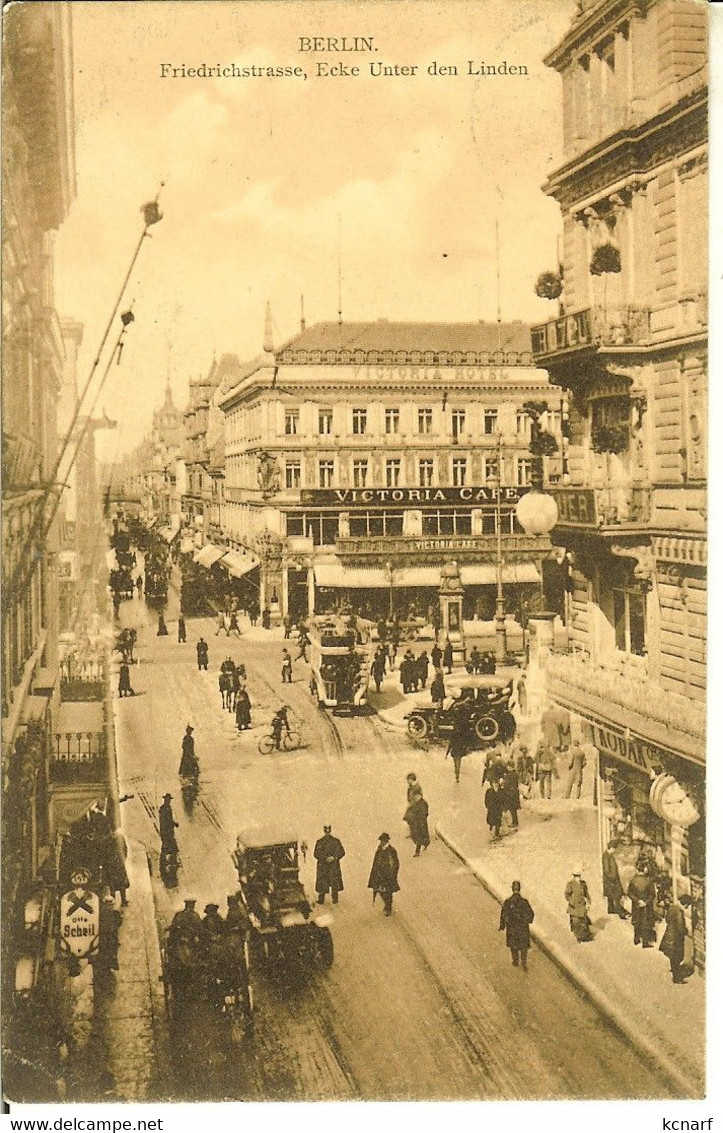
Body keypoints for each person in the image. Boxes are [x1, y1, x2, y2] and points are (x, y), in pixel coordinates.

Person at [499, 881, 535, 970]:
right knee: (523, 946)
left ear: (512, 889)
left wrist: (502, 925)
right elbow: (531, 913)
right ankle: (524, 962)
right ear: (519, 889)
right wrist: (527, 921)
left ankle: (515, 961)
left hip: (512, 928)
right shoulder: (524, 902)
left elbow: (503, 914)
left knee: (513, 945)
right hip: (523, 928)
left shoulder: (508, 902)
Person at [659, 893, 693, 983]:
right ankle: (677, 978)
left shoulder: (672, 907)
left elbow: (667, 919)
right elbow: (680, 927)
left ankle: (675, 973)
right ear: (685, 904)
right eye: (687, 905)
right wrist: (687, 931)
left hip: (669, 934)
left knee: (672, 957)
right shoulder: (679, 911)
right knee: (677, 957)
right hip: (676, 938)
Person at [367, 833, 400, 916]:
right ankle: (387, 905)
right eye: (381, 841)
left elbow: (395, 864)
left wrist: (392, 874)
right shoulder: (379, 850)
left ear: (386, 841)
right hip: (379, 875)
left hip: (388, 876)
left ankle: (388, 908)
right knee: (381, 891)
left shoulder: (391, 851)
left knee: (388, 892)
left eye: (382, 841)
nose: (381, 842)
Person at [313, 825, 346, 904]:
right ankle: (321, 899)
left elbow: (342, 852)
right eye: (326, 831)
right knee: (322, 882)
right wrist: (325, 858)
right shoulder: (319, 842)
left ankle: (335, 899)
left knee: (334, 882)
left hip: (333, 866)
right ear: (324, 831)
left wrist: (334, 857)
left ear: (330, 831)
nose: (327, 833)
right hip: (323, 866)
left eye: (328, 831)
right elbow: (316, 854)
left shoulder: (336, 841)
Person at [627, 864, 657, 947]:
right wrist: (645, 902)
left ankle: (636, 939)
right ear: (644, 870)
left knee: (636, 921)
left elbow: (629, 893)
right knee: (646, 923)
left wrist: (637, 901)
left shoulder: (633, 880)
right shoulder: (649, 881)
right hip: (646, 906)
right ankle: (645, 942)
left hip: (636, 905)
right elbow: (652, 895)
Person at [565, 866, 593, 942]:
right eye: (576, 876)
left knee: (583, 921)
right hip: (574, 906)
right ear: (574, 876)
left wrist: (589, 901)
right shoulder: (570, 884)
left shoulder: (583, 884)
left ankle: (584, 935)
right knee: (576, 922)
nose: (578, 878)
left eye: (579, 876)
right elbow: (567, 895)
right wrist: (571, 901)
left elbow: (586, 893)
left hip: (581, 905)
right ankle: (579, 937)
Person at [602, 842, 628, 918]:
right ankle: (620, 913)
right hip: (611, 880)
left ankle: (611, 909)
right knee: (617, 896)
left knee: (611, 895)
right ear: (611, 848)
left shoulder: (609, 855)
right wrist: (613, 877)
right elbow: (606, 870)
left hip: (611, 880)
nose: (615, 850)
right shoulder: (606, 856)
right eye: (614, 849)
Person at [404, 791, 430, 857]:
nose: (415, 797)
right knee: (420, 836)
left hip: (421, 823)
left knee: (421, 836)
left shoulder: (423, 803)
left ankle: (417, 852)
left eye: (416, 796)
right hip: (417, 823)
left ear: (419, 796)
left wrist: (421, 820)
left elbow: (425, 813)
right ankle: (425, 844)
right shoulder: (416, 803)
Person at [501, 760, 521, 829]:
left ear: (510, 767)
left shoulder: (510, 775)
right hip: (514, 793)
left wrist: (503, 784)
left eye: (507, 766)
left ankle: (515, 823)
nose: (507, 768)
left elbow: (507, 784)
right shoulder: (515, 774)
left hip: (510, 794)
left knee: (512, 809)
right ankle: (515, 822)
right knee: (513, 809)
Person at [159, 793, 179, 857]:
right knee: (167, 845)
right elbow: (166, 820)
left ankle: (169, 859)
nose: (169, 801)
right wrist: (174, 824)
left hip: (169, 829)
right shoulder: (163, 809)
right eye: (168, 800)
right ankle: (167, 860)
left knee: (168, 845)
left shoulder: (168, 808)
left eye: (169, 800)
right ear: (165, 800)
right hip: (166, 830)